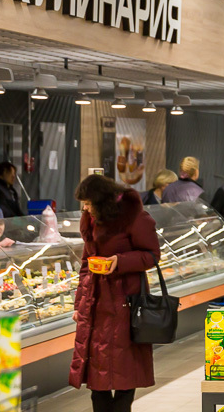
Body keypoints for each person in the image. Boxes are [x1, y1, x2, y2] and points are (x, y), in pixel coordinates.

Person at [69, 174, 161, 412]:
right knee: (96, 370)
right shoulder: (91, 219)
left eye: (88, 203)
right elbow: (86, 263)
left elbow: (152, 255)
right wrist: (79, 304)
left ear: (102, 201)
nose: (85, 209)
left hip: (126, 301)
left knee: (125, 367)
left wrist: (119, 261)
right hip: (96, 300)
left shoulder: (135, 217)